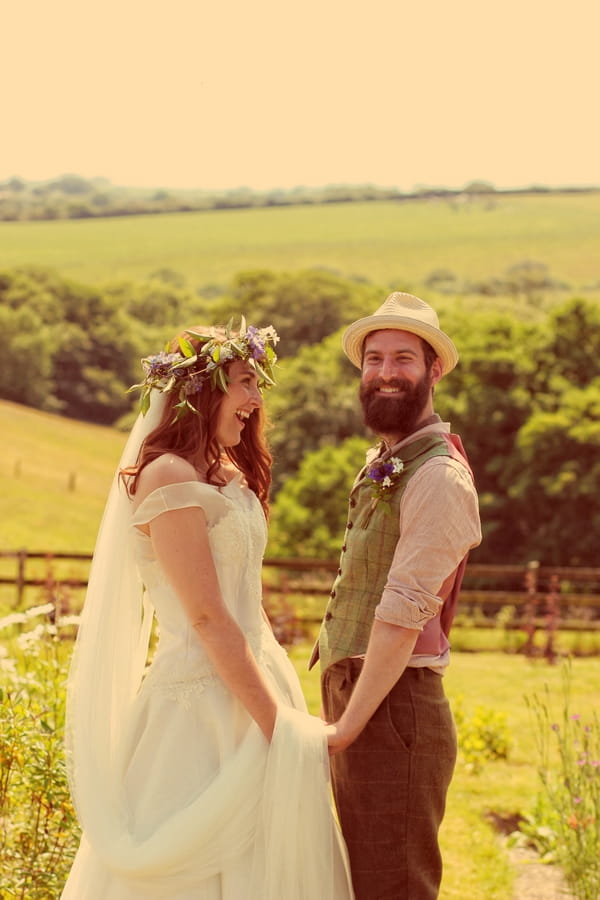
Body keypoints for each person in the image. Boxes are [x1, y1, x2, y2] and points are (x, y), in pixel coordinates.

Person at [61, 320, 353, 899]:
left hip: (257, 675)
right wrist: (282, 729)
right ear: (202, 389)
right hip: (196, 708)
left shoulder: (227, 473)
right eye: (245, 382)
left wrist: (277, 700)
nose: (255, 399)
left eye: (258, 383)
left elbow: (247, 603)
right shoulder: (167, 477)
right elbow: (206, 617)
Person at [312, 293, 482, 900]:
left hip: (391, 707)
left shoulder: (437, 475)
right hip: (363, 699)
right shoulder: (390, 460)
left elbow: (401, 615)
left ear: (434, 370)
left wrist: (347, 728)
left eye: (403, 359)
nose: (386, 373)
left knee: (392, 890)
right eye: (374, 359)